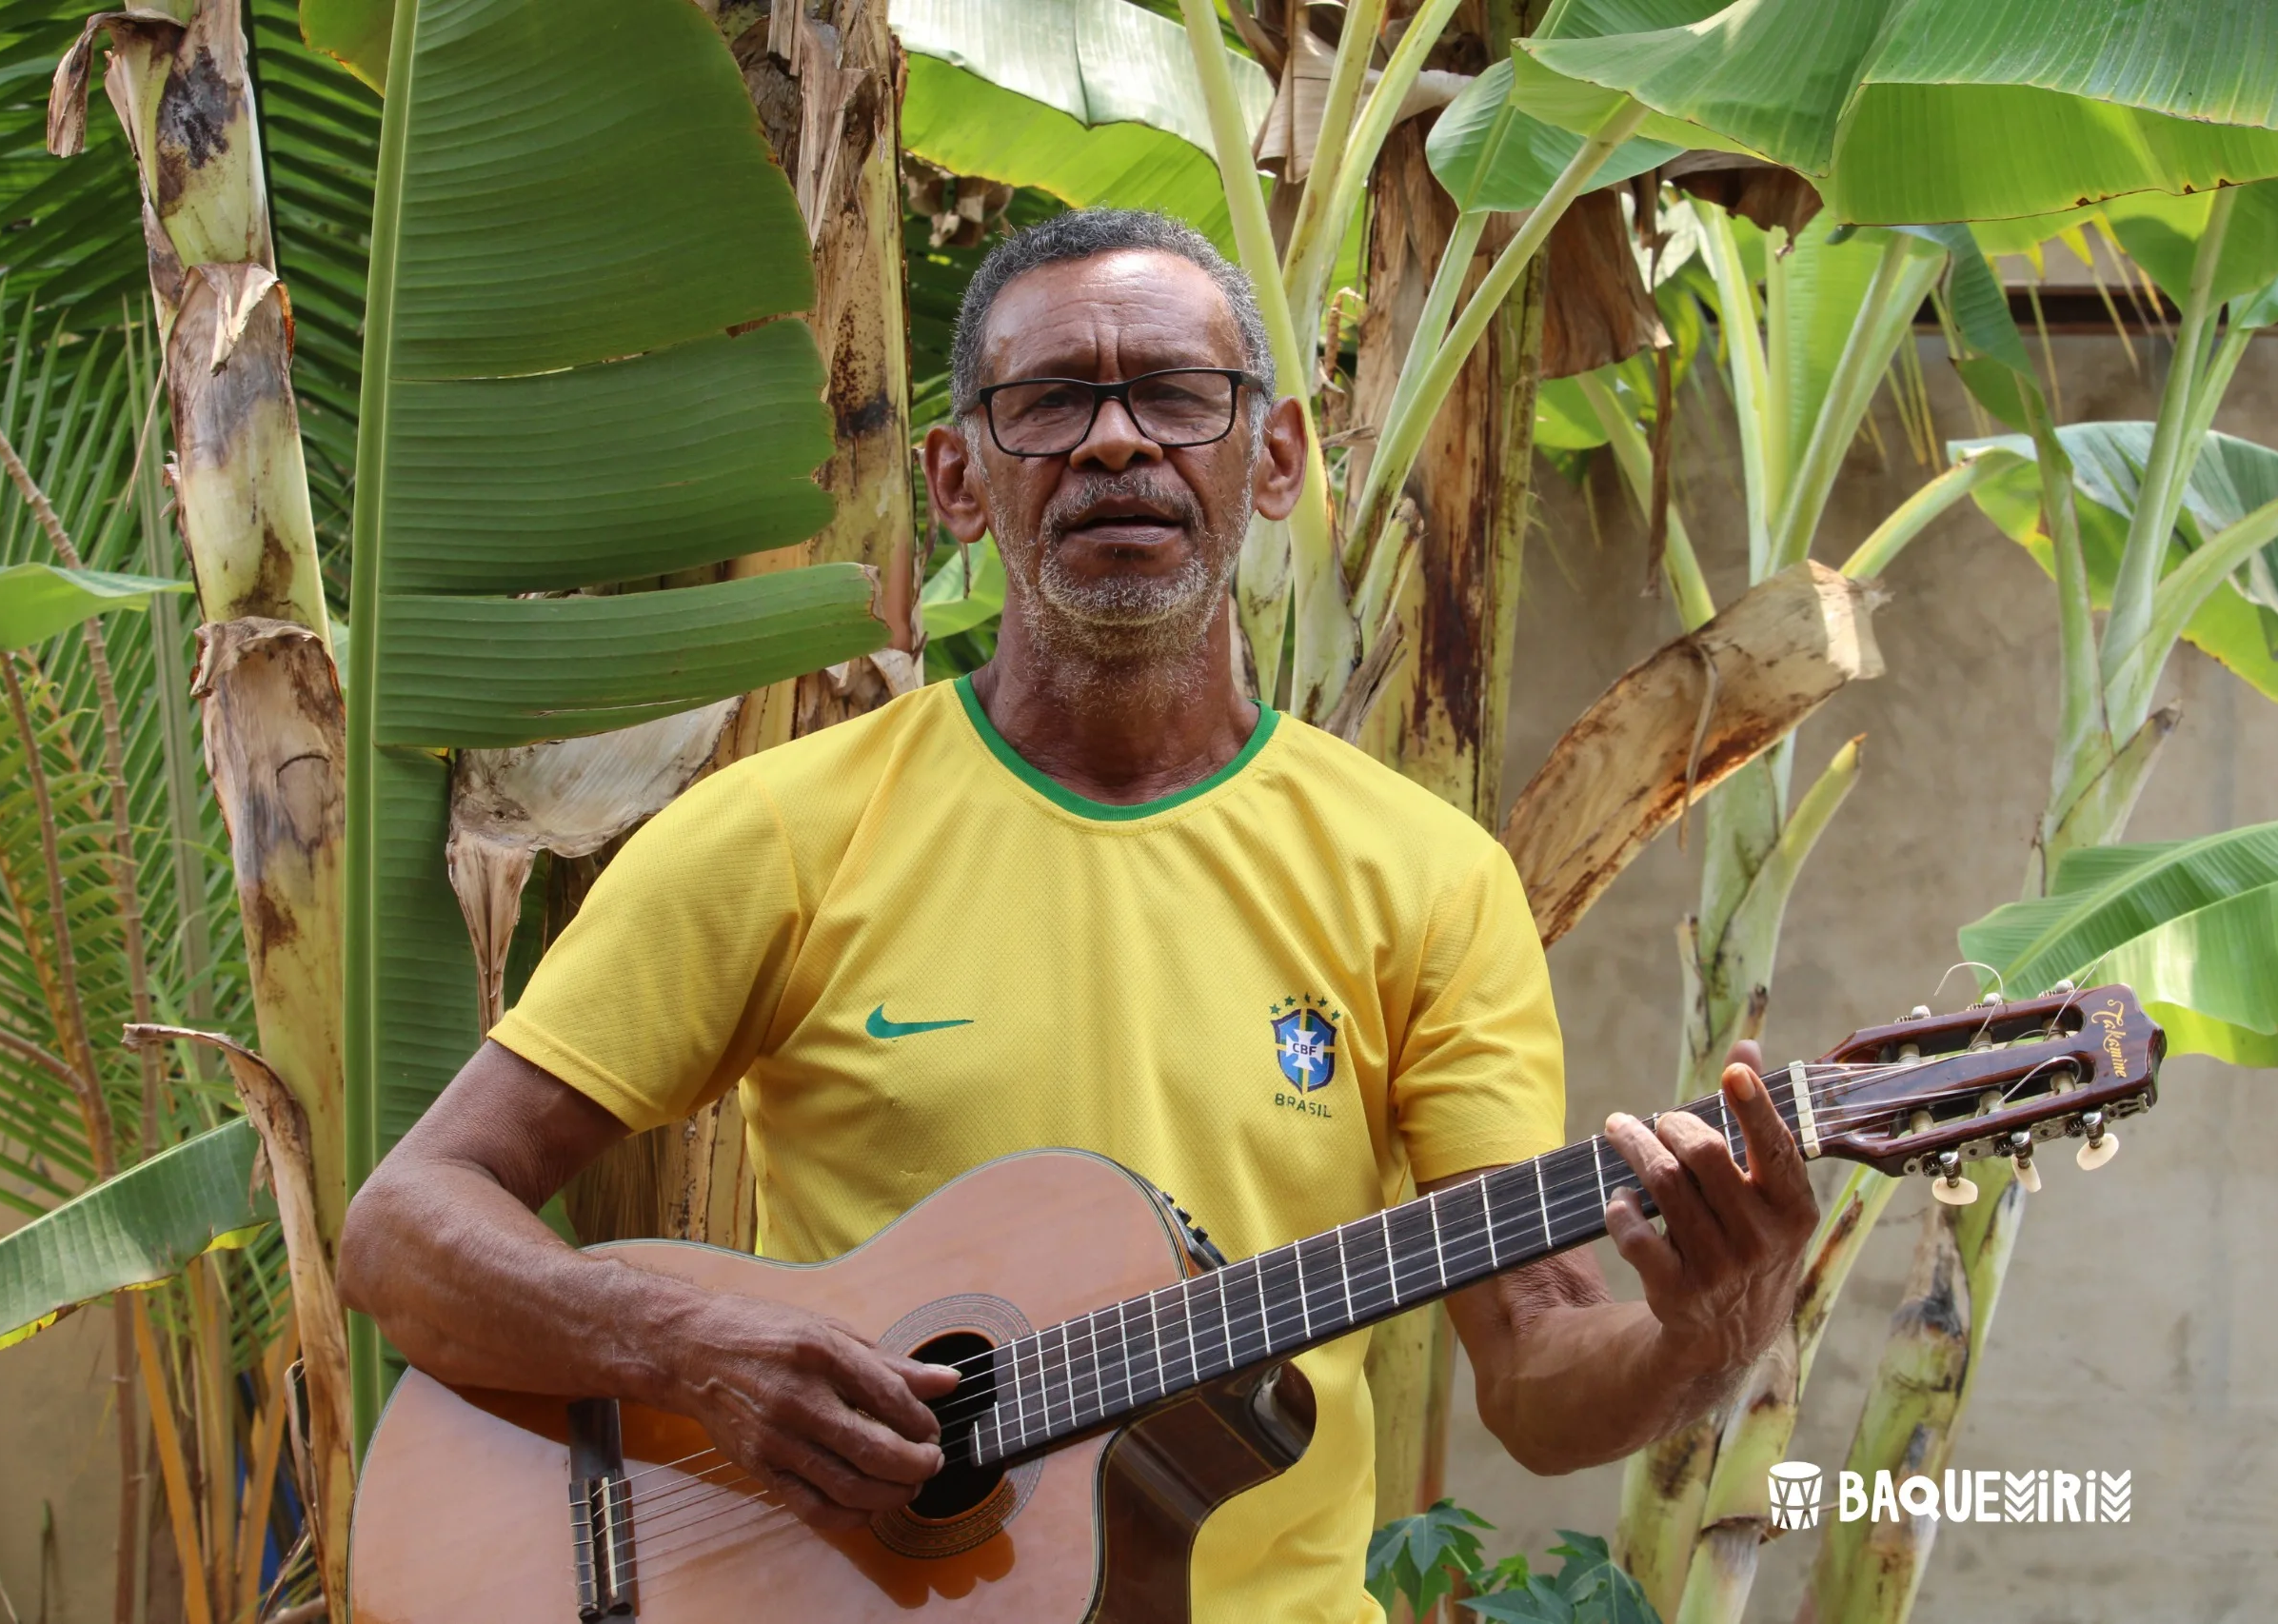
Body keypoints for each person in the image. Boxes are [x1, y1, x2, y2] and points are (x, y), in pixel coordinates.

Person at [339, 208, 1818, 1623]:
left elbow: (1546, 1364)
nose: (1118, 440)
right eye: (1050, 403)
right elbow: (405, 1232)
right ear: (961, 478)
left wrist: (1714, 1325)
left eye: (1178, 394)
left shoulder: (1425, 876)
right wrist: (695, 1348)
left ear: (1279, 453)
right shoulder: (781, 832)